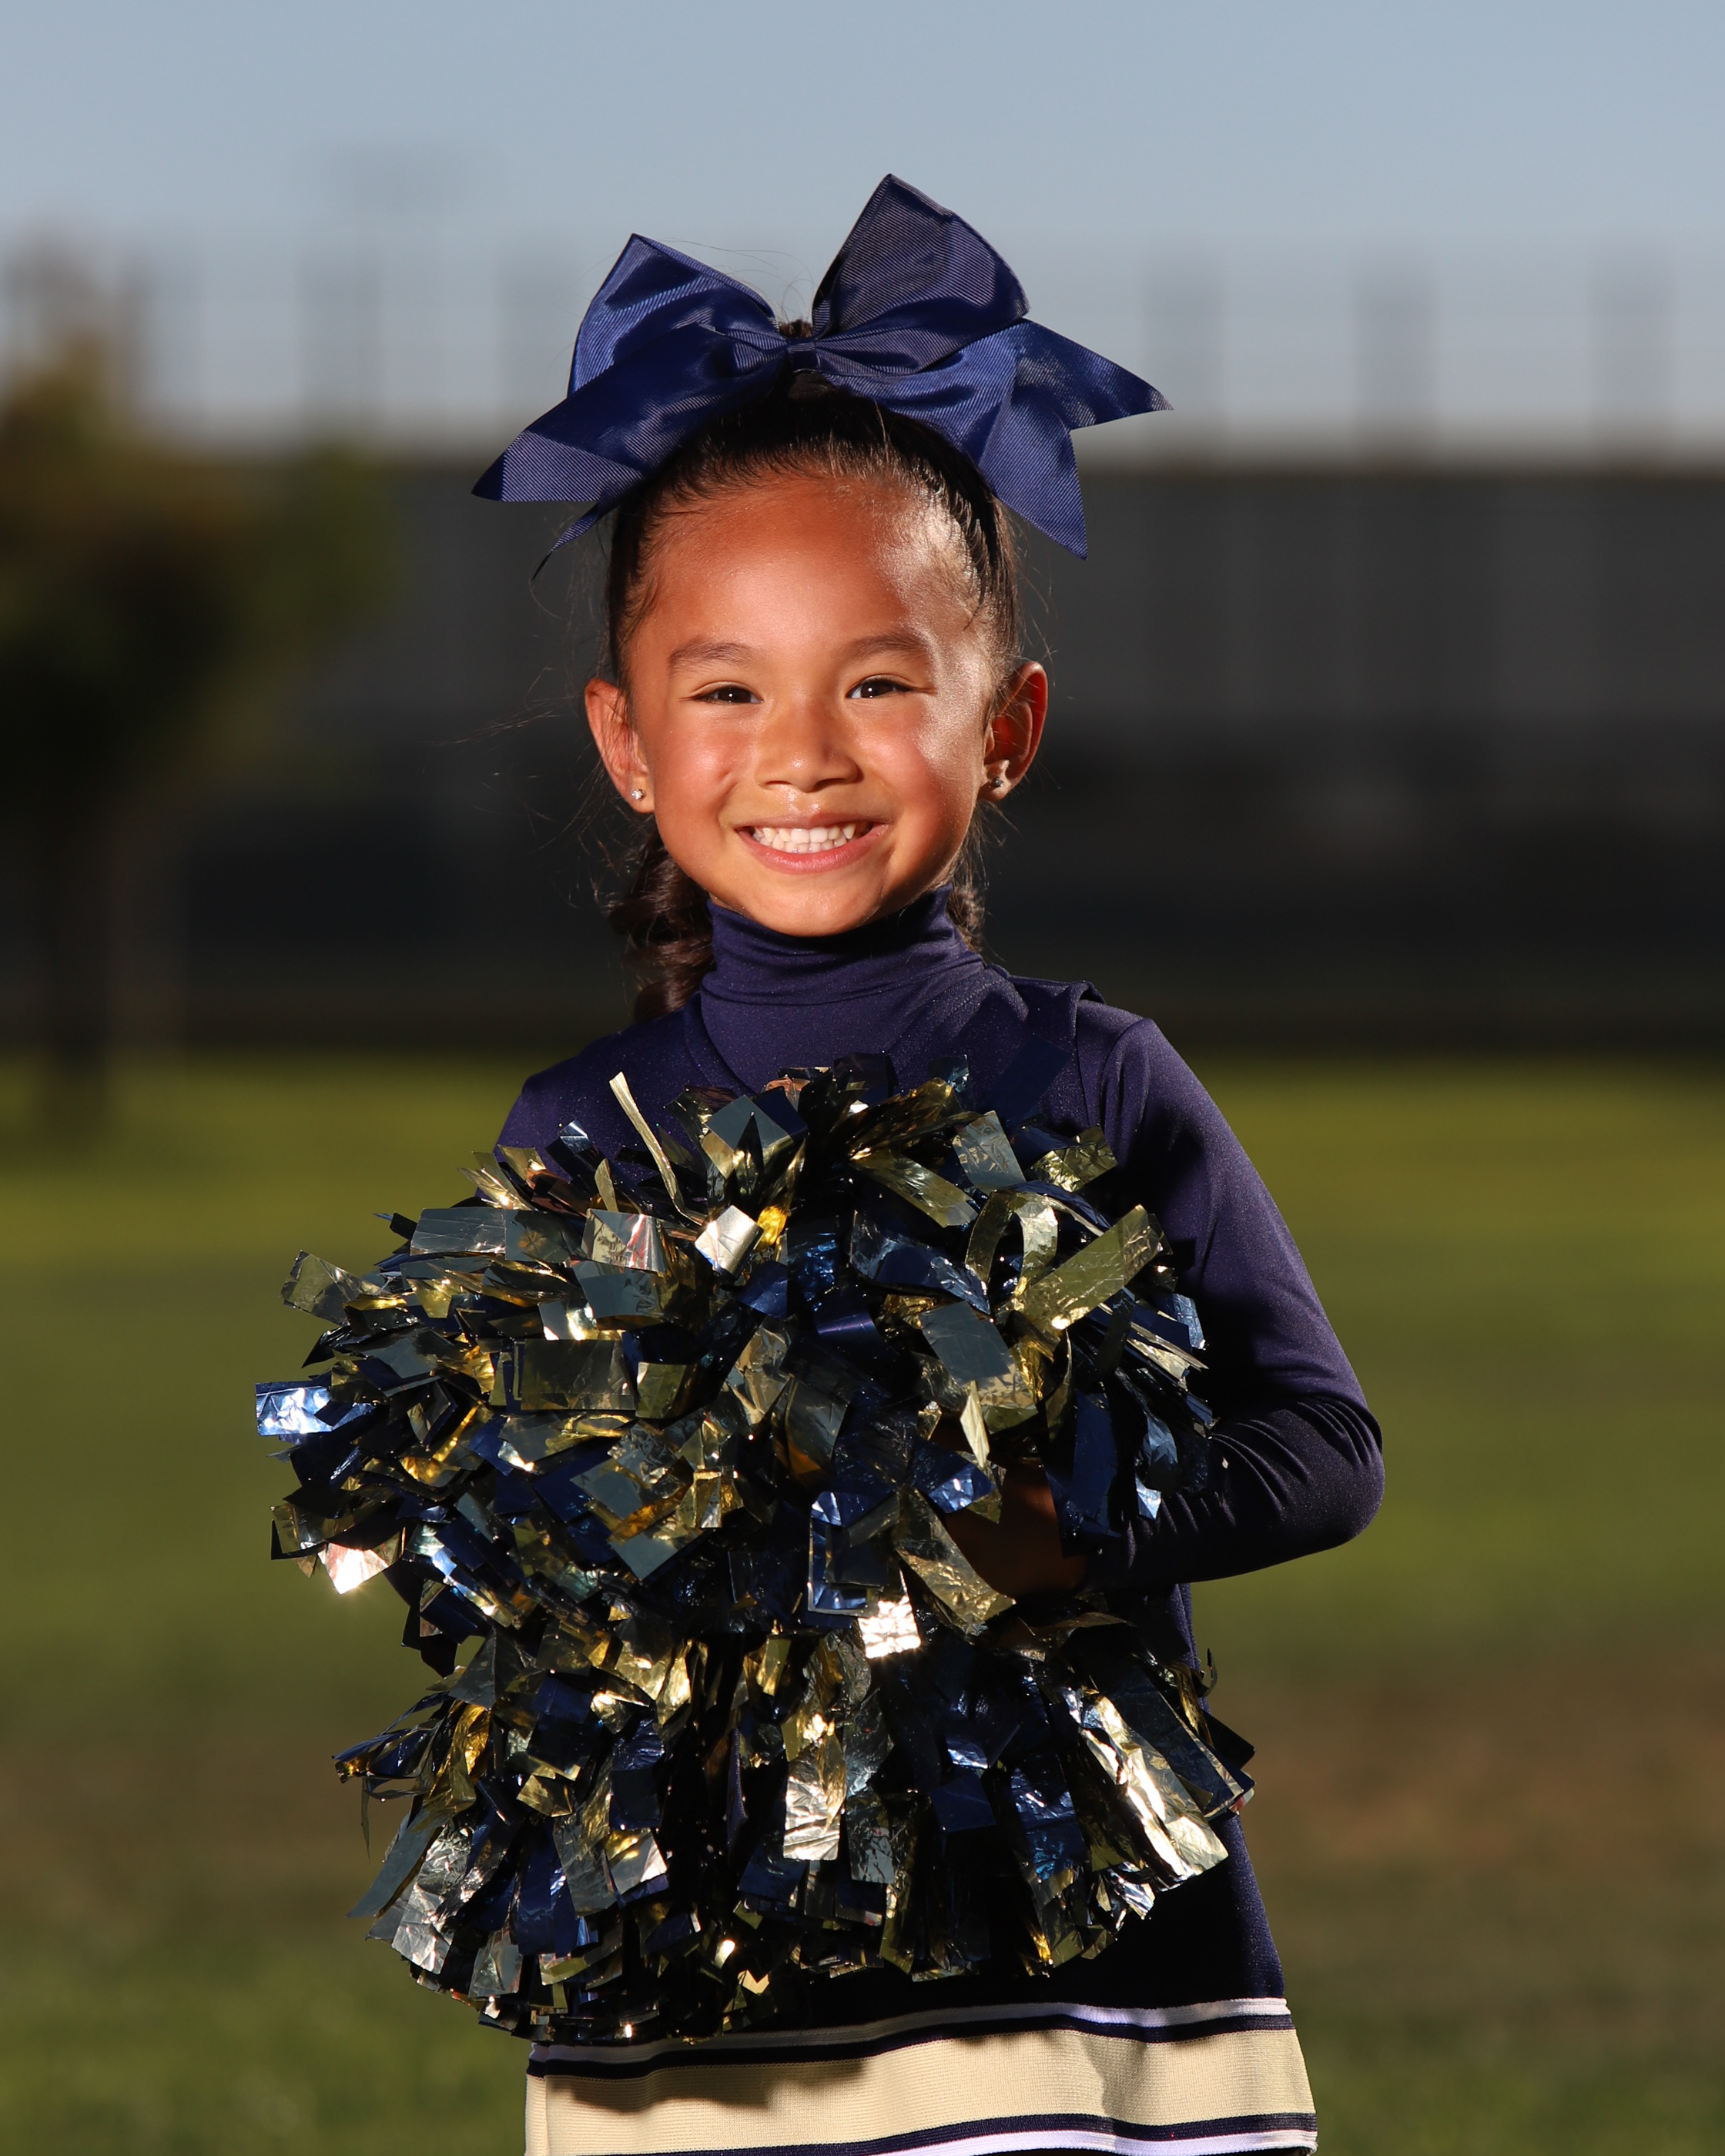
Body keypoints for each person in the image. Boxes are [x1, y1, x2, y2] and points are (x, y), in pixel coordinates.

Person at [483, 177, 1382, 2156]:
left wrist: (1076, 1531)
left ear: (1005, 727)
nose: (802, 748)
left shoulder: (1092, 1075)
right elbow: (525, 1547)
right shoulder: (580, 1131)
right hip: (696, 1988)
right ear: (628, 741)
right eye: (727, 686)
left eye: (879, 681)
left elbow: (1325, 1447)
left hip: (1073, 1966)